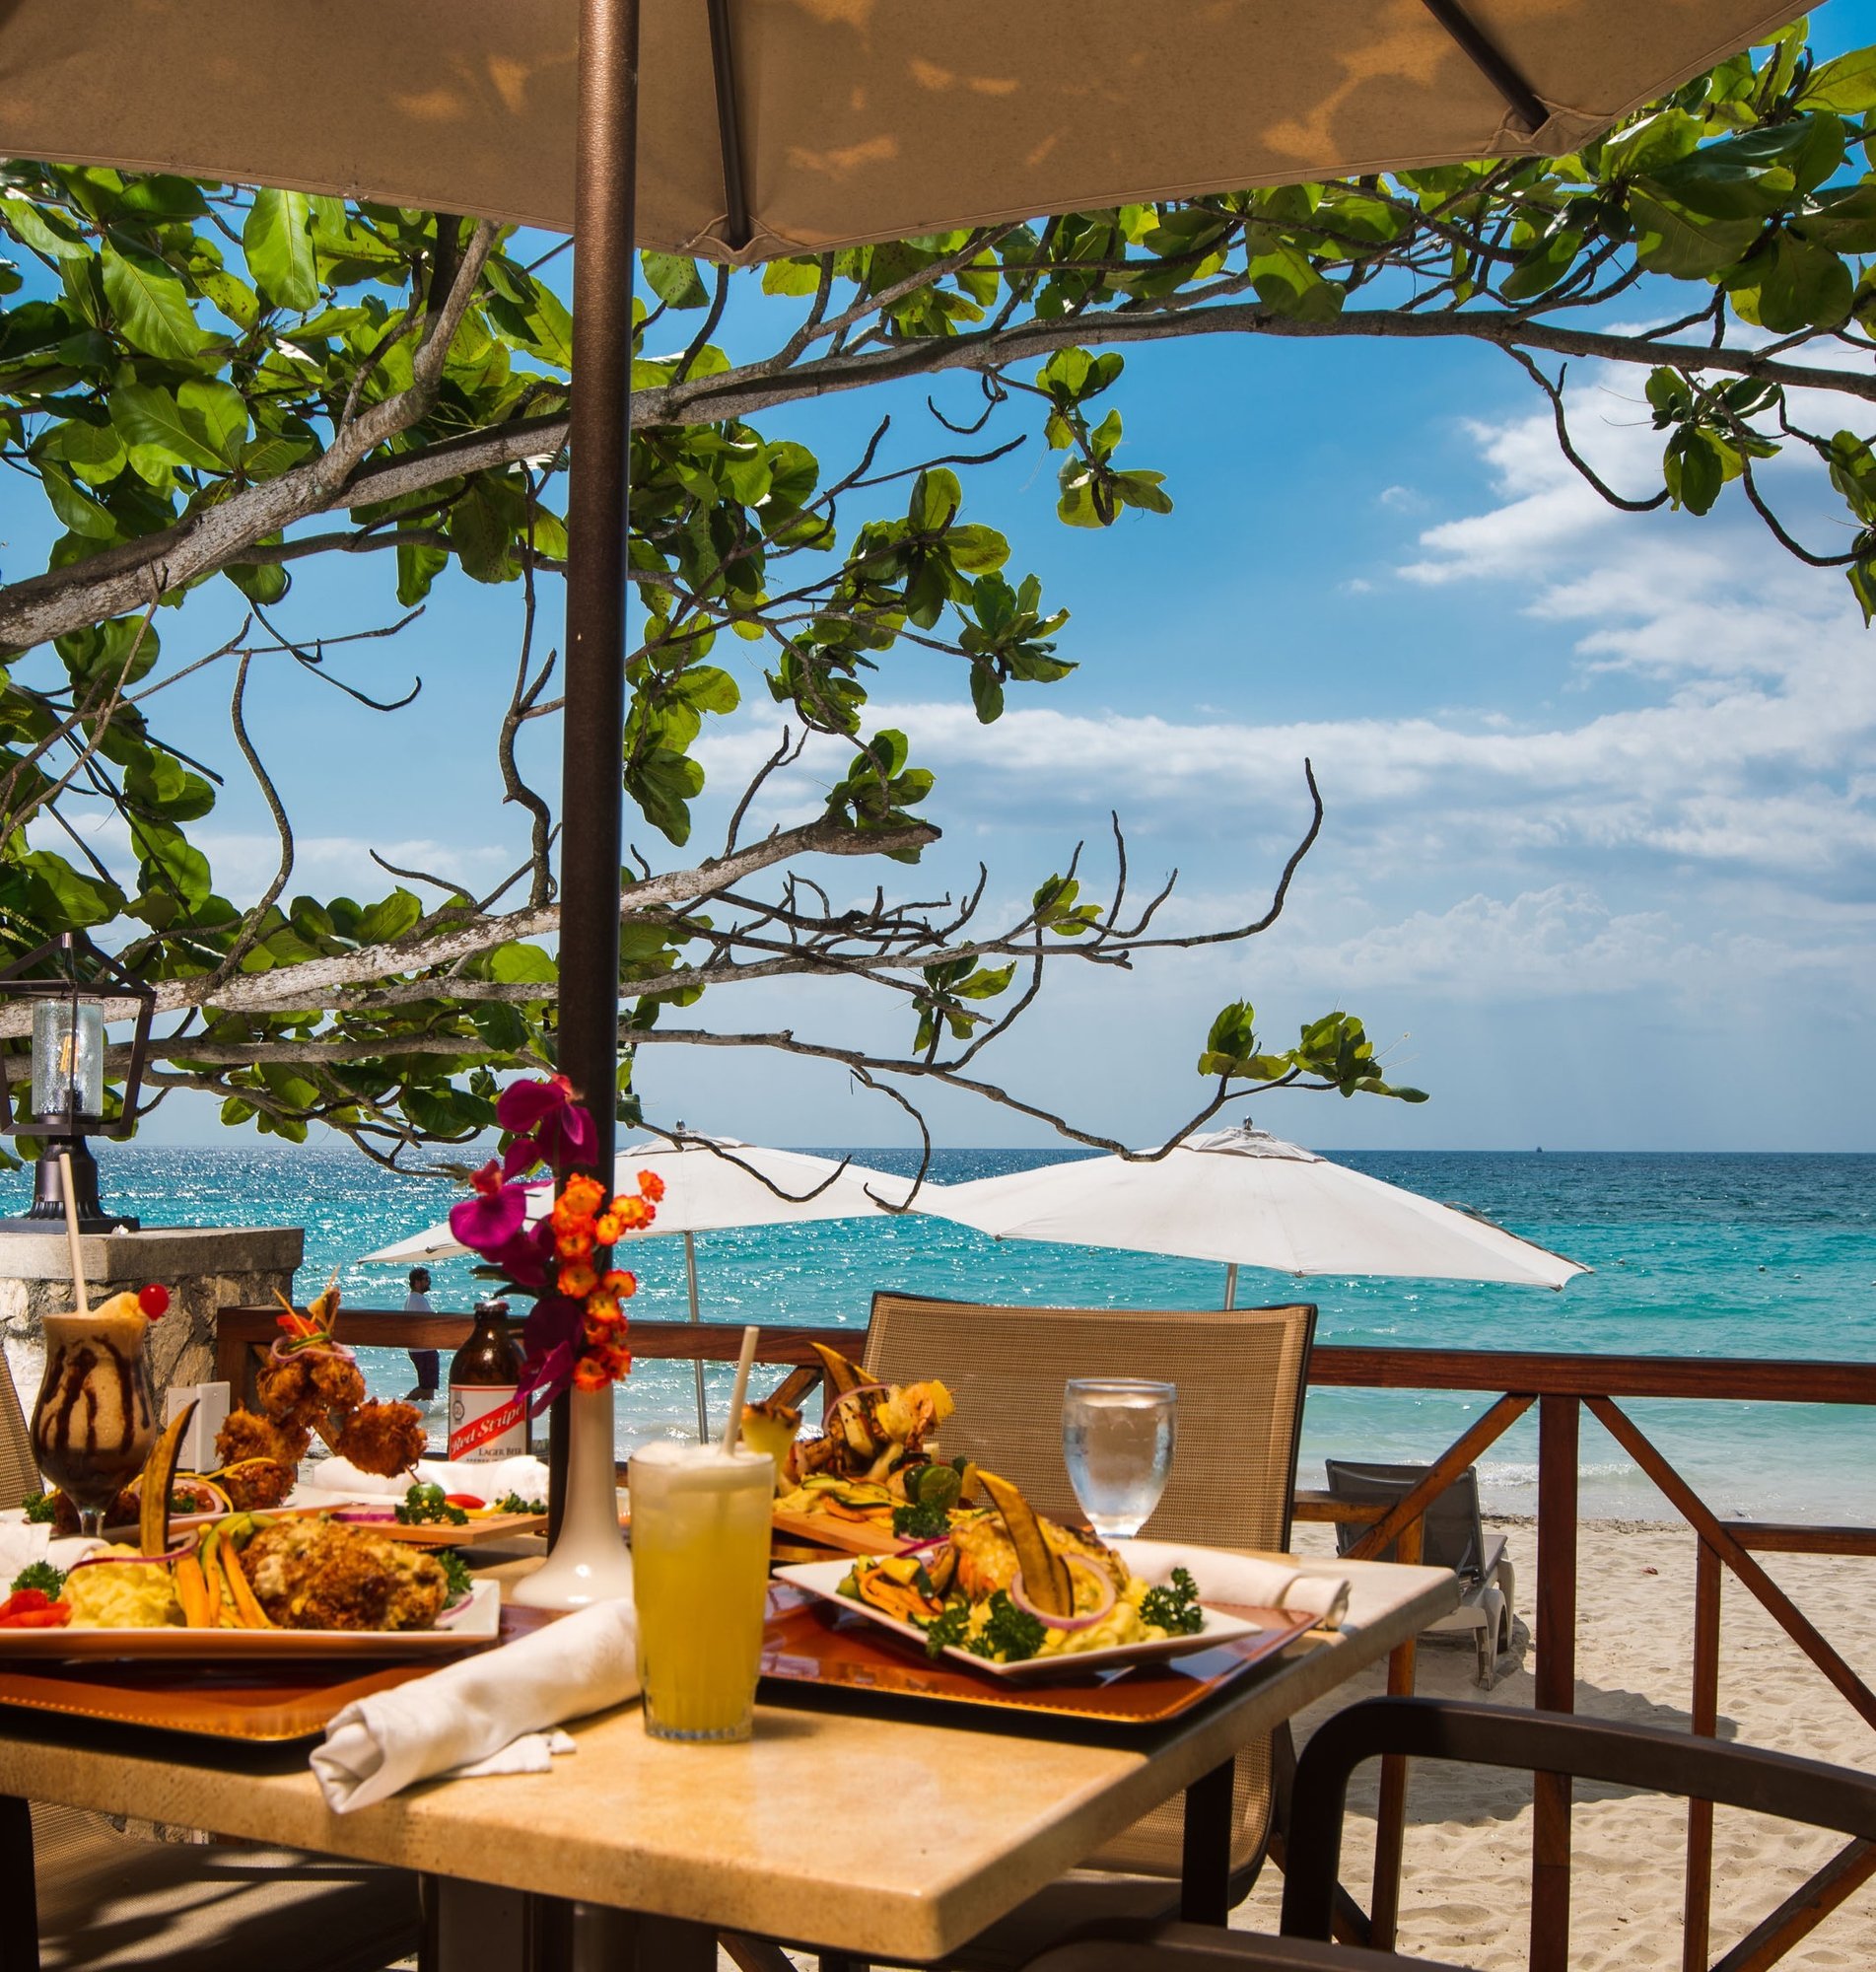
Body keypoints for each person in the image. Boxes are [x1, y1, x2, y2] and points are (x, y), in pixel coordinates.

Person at [403, 1267, 439, 1402]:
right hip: (424, 1349)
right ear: (417, 1282)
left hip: (418, 1348)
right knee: (427, 1387)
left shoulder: (411, 1299)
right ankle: (404, 1405)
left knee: (427, 1386)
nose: (428, 1282)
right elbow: (430, 1323)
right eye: (426, 1279)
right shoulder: (418, 1300)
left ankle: (424, 1414)